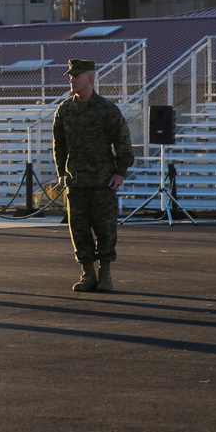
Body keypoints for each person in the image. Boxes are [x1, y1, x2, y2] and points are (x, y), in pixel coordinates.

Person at [52, 58, 134, 293]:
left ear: (90, 78)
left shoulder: (106, 109)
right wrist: (61, 173)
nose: (72, 79)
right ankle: (87, 272)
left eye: (76, 76)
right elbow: (59, 145)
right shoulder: (65, 110)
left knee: (105, 228)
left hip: (101, 181)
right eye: (70, 76)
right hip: (75, 181)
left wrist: (120, 172)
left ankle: (105, 272)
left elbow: (122, 142)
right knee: (78, 229)